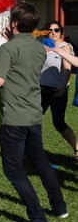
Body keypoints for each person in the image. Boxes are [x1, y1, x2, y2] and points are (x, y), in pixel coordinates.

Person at [0, 1, 68, 222]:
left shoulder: (9, 48)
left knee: (13, 170)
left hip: (14, 117)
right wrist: (14, 39)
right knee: (40, 162)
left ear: (14, 23)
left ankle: (38, 219)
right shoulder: (39, 48)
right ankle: (60, 207)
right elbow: (23, 57)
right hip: (33, 114)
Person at [40, 20, 78, 160]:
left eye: (56, 30)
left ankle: (76, 148)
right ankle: (33, 150)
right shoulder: (42, 46)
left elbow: (67, 68)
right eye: (50, 30)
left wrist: (62, 87)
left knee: (58, 122)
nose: (53, 33)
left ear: (61, 32)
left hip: (57, 91)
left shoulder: (64, 46)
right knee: (34, 119)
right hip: (41, 89)